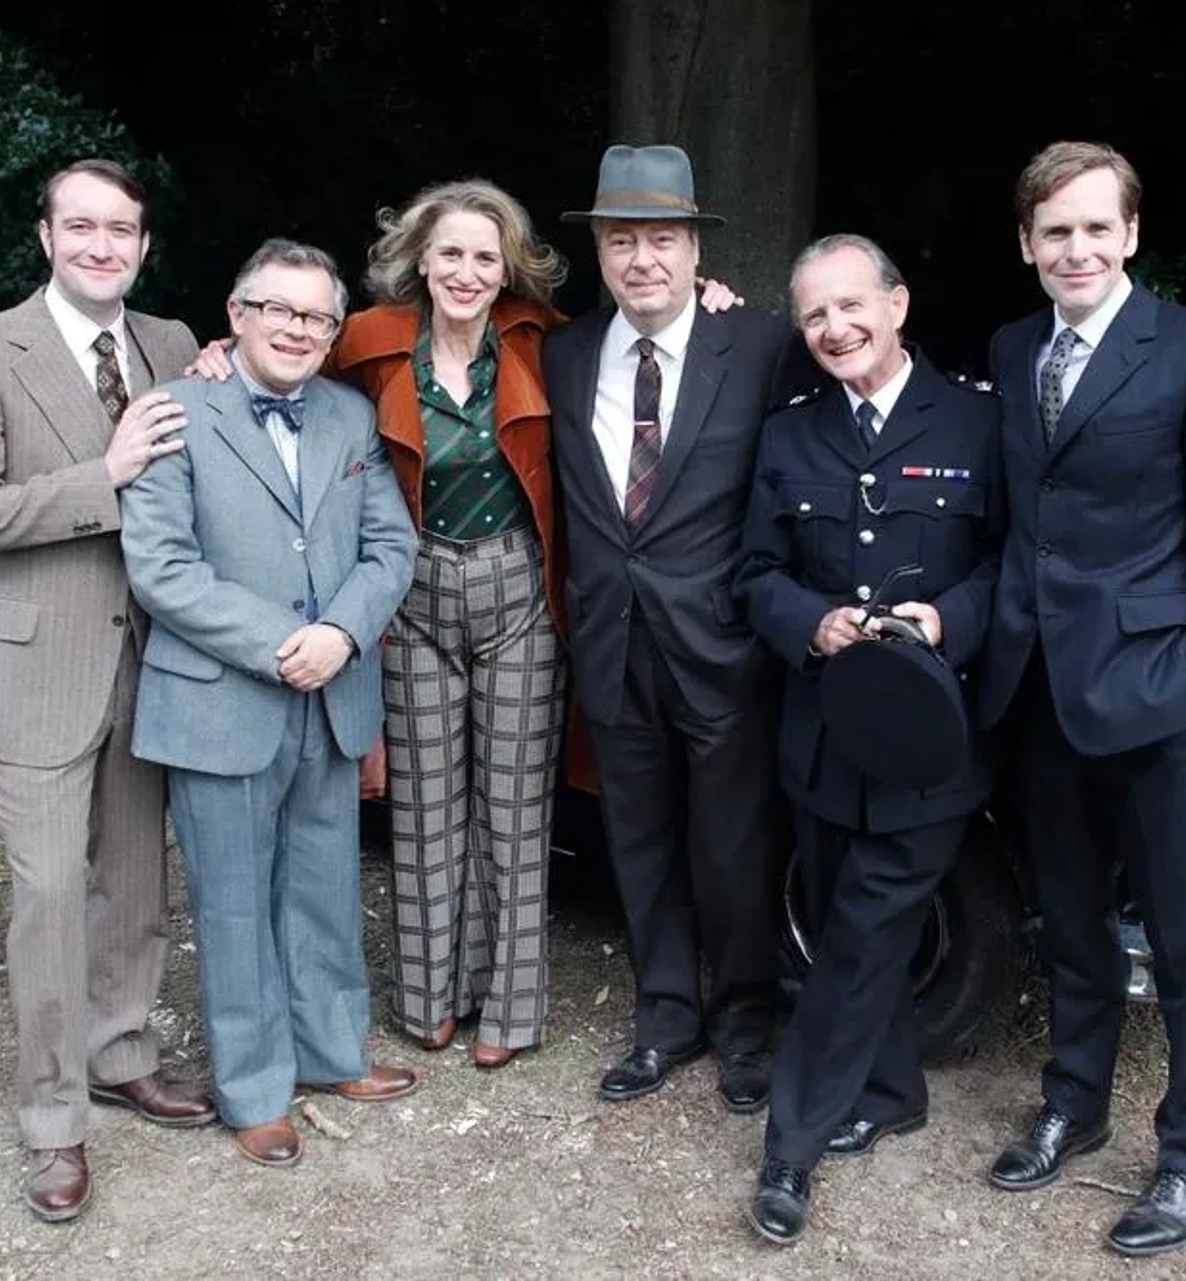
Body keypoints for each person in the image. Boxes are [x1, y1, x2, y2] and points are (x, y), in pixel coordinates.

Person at [974, 141, 1186, 1257]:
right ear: (1026, 245)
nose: (1077, 249)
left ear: (1132, 234)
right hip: (1039, 690)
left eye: (1097, 228)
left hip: (1156, 697)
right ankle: (1074, 1104)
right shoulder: (1012, 351)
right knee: (1073, 922)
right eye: (1056, 232)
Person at [0, 158, 216, 1223]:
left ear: (144, 243)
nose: (104, 246)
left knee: (135, 883)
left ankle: (122, 1051)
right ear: (46, 237)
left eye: (123, 229)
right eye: (82, 227)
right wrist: (109, 475)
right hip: (33, 664)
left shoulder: (174, 346)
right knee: (49, 897)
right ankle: (53, 1122)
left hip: (154, 660)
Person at [120, 238, 420, 1169]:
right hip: (221, 698)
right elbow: (162, 567)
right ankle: (252, 1087)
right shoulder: (174, 412)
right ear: (237, 313)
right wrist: (276, 644)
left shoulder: (349, 414)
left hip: (332, 691)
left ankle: (332, 1052)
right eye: (279, 309)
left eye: (317, 317)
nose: (297, 328)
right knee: (236, 903)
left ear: (334, 333)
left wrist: (341, 634)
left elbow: (390, 547)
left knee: (325, 886)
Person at [732, 235, 1003, 1245]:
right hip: (823, 737)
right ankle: (891, 1092)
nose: (836, 329)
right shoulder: (790, 435)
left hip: (931, 738)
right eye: (815, 316)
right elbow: (755, 571)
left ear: (897, 303)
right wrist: (813, 622)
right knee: (850, 905)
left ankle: (789, 1148)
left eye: (853, 306)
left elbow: (1008, 565)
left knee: (855, 937)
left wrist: (946, 621)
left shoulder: (977, 421)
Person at [543, 144, 809, 1114]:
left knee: (734, 849)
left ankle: (746, 1021)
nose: (641, 258)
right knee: (637, 843)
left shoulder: (765, 345)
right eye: (623, 240)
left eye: (662, 238)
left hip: (723, 649)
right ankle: (665, 1017)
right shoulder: (565, 354)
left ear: (695, 249)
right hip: (611, 646)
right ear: (601, 253)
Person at [318, 180, 569, 1069]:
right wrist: (218, 352)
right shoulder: (366, 340)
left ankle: (511, 1005)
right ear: (420, 257)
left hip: (518, 592)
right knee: (424, 810)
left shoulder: (542, 339)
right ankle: (432, 997)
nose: (467, 271)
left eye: (486, 256)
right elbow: (277, 363)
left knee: (514, 808)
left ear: (509, 271)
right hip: (411, 588)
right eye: (451, 252)